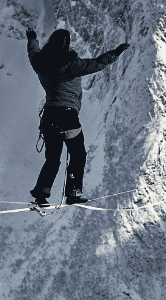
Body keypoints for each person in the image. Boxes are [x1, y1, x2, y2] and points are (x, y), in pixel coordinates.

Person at [26, 28, 129, 206]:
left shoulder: (40, 64)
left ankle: (41, 195)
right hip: (67, 117)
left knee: (52, 158)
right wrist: (116, 52)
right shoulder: (72, 65)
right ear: (67, 45)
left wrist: (32, 38)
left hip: (49, 117)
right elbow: (98, 63)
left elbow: (33, 53)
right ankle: (73, 192)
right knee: (78, 154)